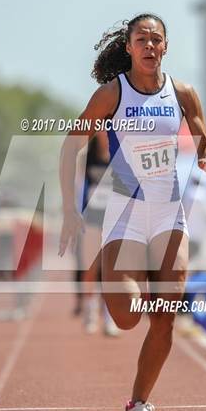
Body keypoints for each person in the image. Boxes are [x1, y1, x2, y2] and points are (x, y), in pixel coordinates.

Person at [59, 13, 206, 411]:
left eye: (156, 39)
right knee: (130, 316)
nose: (149, 46)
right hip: (126, 211)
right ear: (128, 47)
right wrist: (68, 209)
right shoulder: (112, 94)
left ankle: (138, 405)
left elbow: (203, 135)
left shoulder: (182, 93)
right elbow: (71, 144)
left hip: (168, 212)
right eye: (141, 39)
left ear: (166, 47)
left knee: (164, 318)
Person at [75, 133, 119, 336]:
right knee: (91, 268)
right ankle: (90, 312)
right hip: (91, 218)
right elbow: (79, 188)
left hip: (113, 218)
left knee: (111, 270)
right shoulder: (86, 157)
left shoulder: (120, 154)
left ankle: (109, 317)